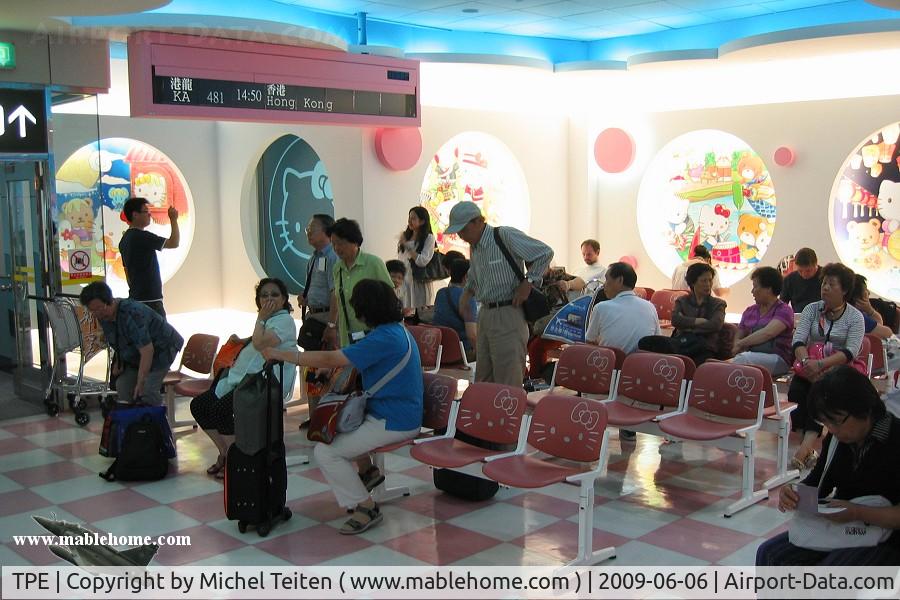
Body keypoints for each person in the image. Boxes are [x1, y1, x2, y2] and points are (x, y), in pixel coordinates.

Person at [263, 279, 423, 535]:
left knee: (326, 453)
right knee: (339, 429)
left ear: (366, 309)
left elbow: (331, 357)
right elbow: (349, 359)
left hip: (395, 420)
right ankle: (368, 472)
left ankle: (367, 507)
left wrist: (281, 354)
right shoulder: (394, 330)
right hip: (391, 411)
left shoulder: (384, 337)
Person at [756, 366, 900, 566]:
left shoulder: (895, 439)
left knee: (832, 573)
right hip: (844, 530)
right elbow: (818, 483)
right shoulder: (836, 440)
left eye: (836, 421)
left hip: (887, 539)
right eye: (825, 422)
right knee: (770, 553)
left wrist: (857, 512)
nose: (831, 429)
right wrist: (794, 494)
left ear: (864, 408)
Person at [190, 278, 298, 478]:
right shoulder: (269, 320)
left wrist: (261, 318)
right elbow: (255, 338)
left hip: (261, 384)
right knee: (199, 405)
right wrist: (243, 339)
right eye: (264, 295)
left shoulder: (284, 320)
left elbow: (261, 343)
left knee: (221, 410)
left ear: (284, 299)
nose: (269, 299)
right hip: (242, 379)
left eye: (274, 294)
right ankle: (225, 452)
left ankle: (236, 461)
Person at [445, 202, 553, 386]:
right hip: (486, 314)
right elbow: (474, 275)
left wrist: (529, 282)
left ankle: (510, 415)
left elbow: (544, 253)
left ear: (478, 221)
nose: (461, 236)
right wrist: (467, 294)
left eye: (463, 229)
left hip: (508, 312)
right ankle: (487, 415)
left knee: (508, 379)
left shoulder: (504, 235)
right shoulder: (476, 247)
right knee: (483, 378)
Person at [789, 262, 865, 470]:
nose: (825, 288)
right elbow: (798, 340)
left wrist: (821, 365)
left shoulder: (855, 317)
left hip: (839, 369)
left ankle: (805, 449)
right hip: (810, 364)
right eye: (824, 283)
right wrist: (806, 363)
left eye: (832, 284)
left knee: (820, 393)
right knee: (797, 391)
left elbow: (851, 351)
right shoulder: (812, 309)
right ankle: (809, 448)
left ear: (845, 290)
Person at [79, 281, 183, 406]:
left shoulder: (132, 313)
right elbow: (118, 338)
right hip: (138, 353)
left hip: (163, 348)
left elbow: (147, 350)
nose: (98, 314)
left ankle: (157, 422)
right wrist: (119, 361)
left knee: (147, 389)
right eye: (93, 310)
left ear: (110, 301)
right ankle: (133, 421)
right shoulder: (103, 316)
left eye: (100, 308)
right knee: (123, 385)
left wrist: (141, 381)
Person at [322, 218, 394, 349]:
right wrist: (331, 325)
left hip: (374, 334)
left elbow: (390, 298)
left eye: (341, 243)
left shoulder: (373, 263)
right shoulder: (337, 268)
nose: (337, 248)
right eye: (333, 244)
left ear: (355, 241)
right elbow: (337, 297)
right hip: (348, 336)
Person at [639, 262, 726, 365]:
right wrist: (697, 321)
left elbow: (715, 325)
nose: (708, 284)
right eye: (703, 281)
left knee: (699, 356)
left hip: (704, 347)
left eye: (710, 280)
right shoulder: (682, 301)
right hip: (682, 342)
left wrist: (687, 326)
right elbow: (676, 320)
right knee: (645, 342)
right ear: (693, 283)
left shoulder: (718, 304)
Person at [118, 196, 180, 319]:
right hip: (150, 299)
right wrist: (173, 219)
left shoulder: (124, 239)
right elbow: (174, 243)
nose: (149, 215)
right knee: (162, 336)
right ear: (135, 215)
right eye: (146, 212)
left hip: (136, 297)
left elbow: (127, 273)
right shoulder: (141, 236)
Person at [731, 266, 795, 376]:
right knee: (716, 366)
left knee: (743, 360)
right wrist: (737, 345)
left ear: (768, 289)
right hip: (750, 356)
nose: (752, 292)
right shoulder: (749, 311)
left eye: (755, 287)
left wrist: (741, 344)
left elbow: (768, 333)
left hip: (778, 359)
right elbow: (739, 335)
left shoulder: (784, 310)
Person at [585, 262, 660, 354]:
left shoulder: (601, 308)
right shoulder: (650, 307)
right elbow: (657, 341)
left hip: (609, 366)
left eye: (607, 279)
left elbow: (589, 342)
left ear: (620, 280)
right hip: (641, 366)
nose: (604, 285)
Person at [431, 258, 478, 361]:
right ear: (466, 277)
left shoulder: (441, 293)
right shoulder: (467, 298)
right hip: (462, 354)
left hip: (439, 353)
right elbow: (472, 335)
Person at [298, 214, 338, 332]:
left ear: (327, 231)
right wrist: (306, 297)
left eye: (312, 229)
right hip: (313, 317)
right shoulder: (314, 258)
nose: (308, 233)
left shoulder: (333, 256)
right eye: (307, 230)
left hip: (327, 318)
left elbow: (336, 293)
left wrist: (331, 325)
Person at [397, 206, 436, 313]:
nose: (409, 221)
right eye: (409, 218)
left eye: (413, 218)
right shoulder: (405, 237)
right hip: (405, 282)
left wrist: (407, 246)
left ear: (422, 221)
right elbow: (401, 260)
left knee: (419, 314)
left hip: (419, 281)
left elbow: (422, 261)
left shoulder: (429, 238)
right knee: (405, 314)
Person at [849, 274, 893, 340]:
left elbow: (876, 327)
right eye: (865, 290)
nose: (869, 293)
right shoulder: (856, 315)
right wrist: (870, 311)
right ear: (857, 298)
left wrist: (869, 310)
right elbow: (888, 333)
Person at [780, 247, 822, 313]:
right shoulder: (790, 280)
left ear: (815, 264)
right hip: (799, 317)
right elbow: (782, 304)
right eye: (800, 271)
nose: (804, 274)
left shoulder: (825, 277)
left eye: (808, 271)